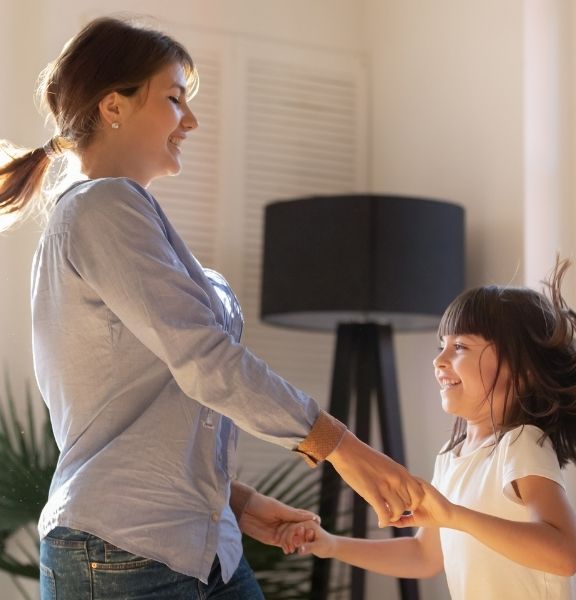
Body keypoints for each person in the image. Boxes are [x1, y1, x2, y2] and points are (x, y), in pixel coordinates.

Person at [0, 16, 423, 600]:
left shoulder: (132, 219)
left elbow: (154, 406)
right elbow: (205, 360)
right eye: (174, 99)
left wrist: (239, 504)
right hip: (122, 553)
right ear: (113, 106)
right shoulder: (102, 207)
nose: (191, 121)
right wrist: (342, 448)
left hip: (205, 548)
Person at [281, 259, 576, 599]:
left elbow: (564, 554)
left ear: (519, 368)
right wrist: (332, 545)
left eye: (460, 346)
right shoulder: (451, 457)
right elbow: (423, 556)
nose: (439, 360)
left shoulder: (521, 444)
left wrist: (453, 515)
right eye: (441, 346)